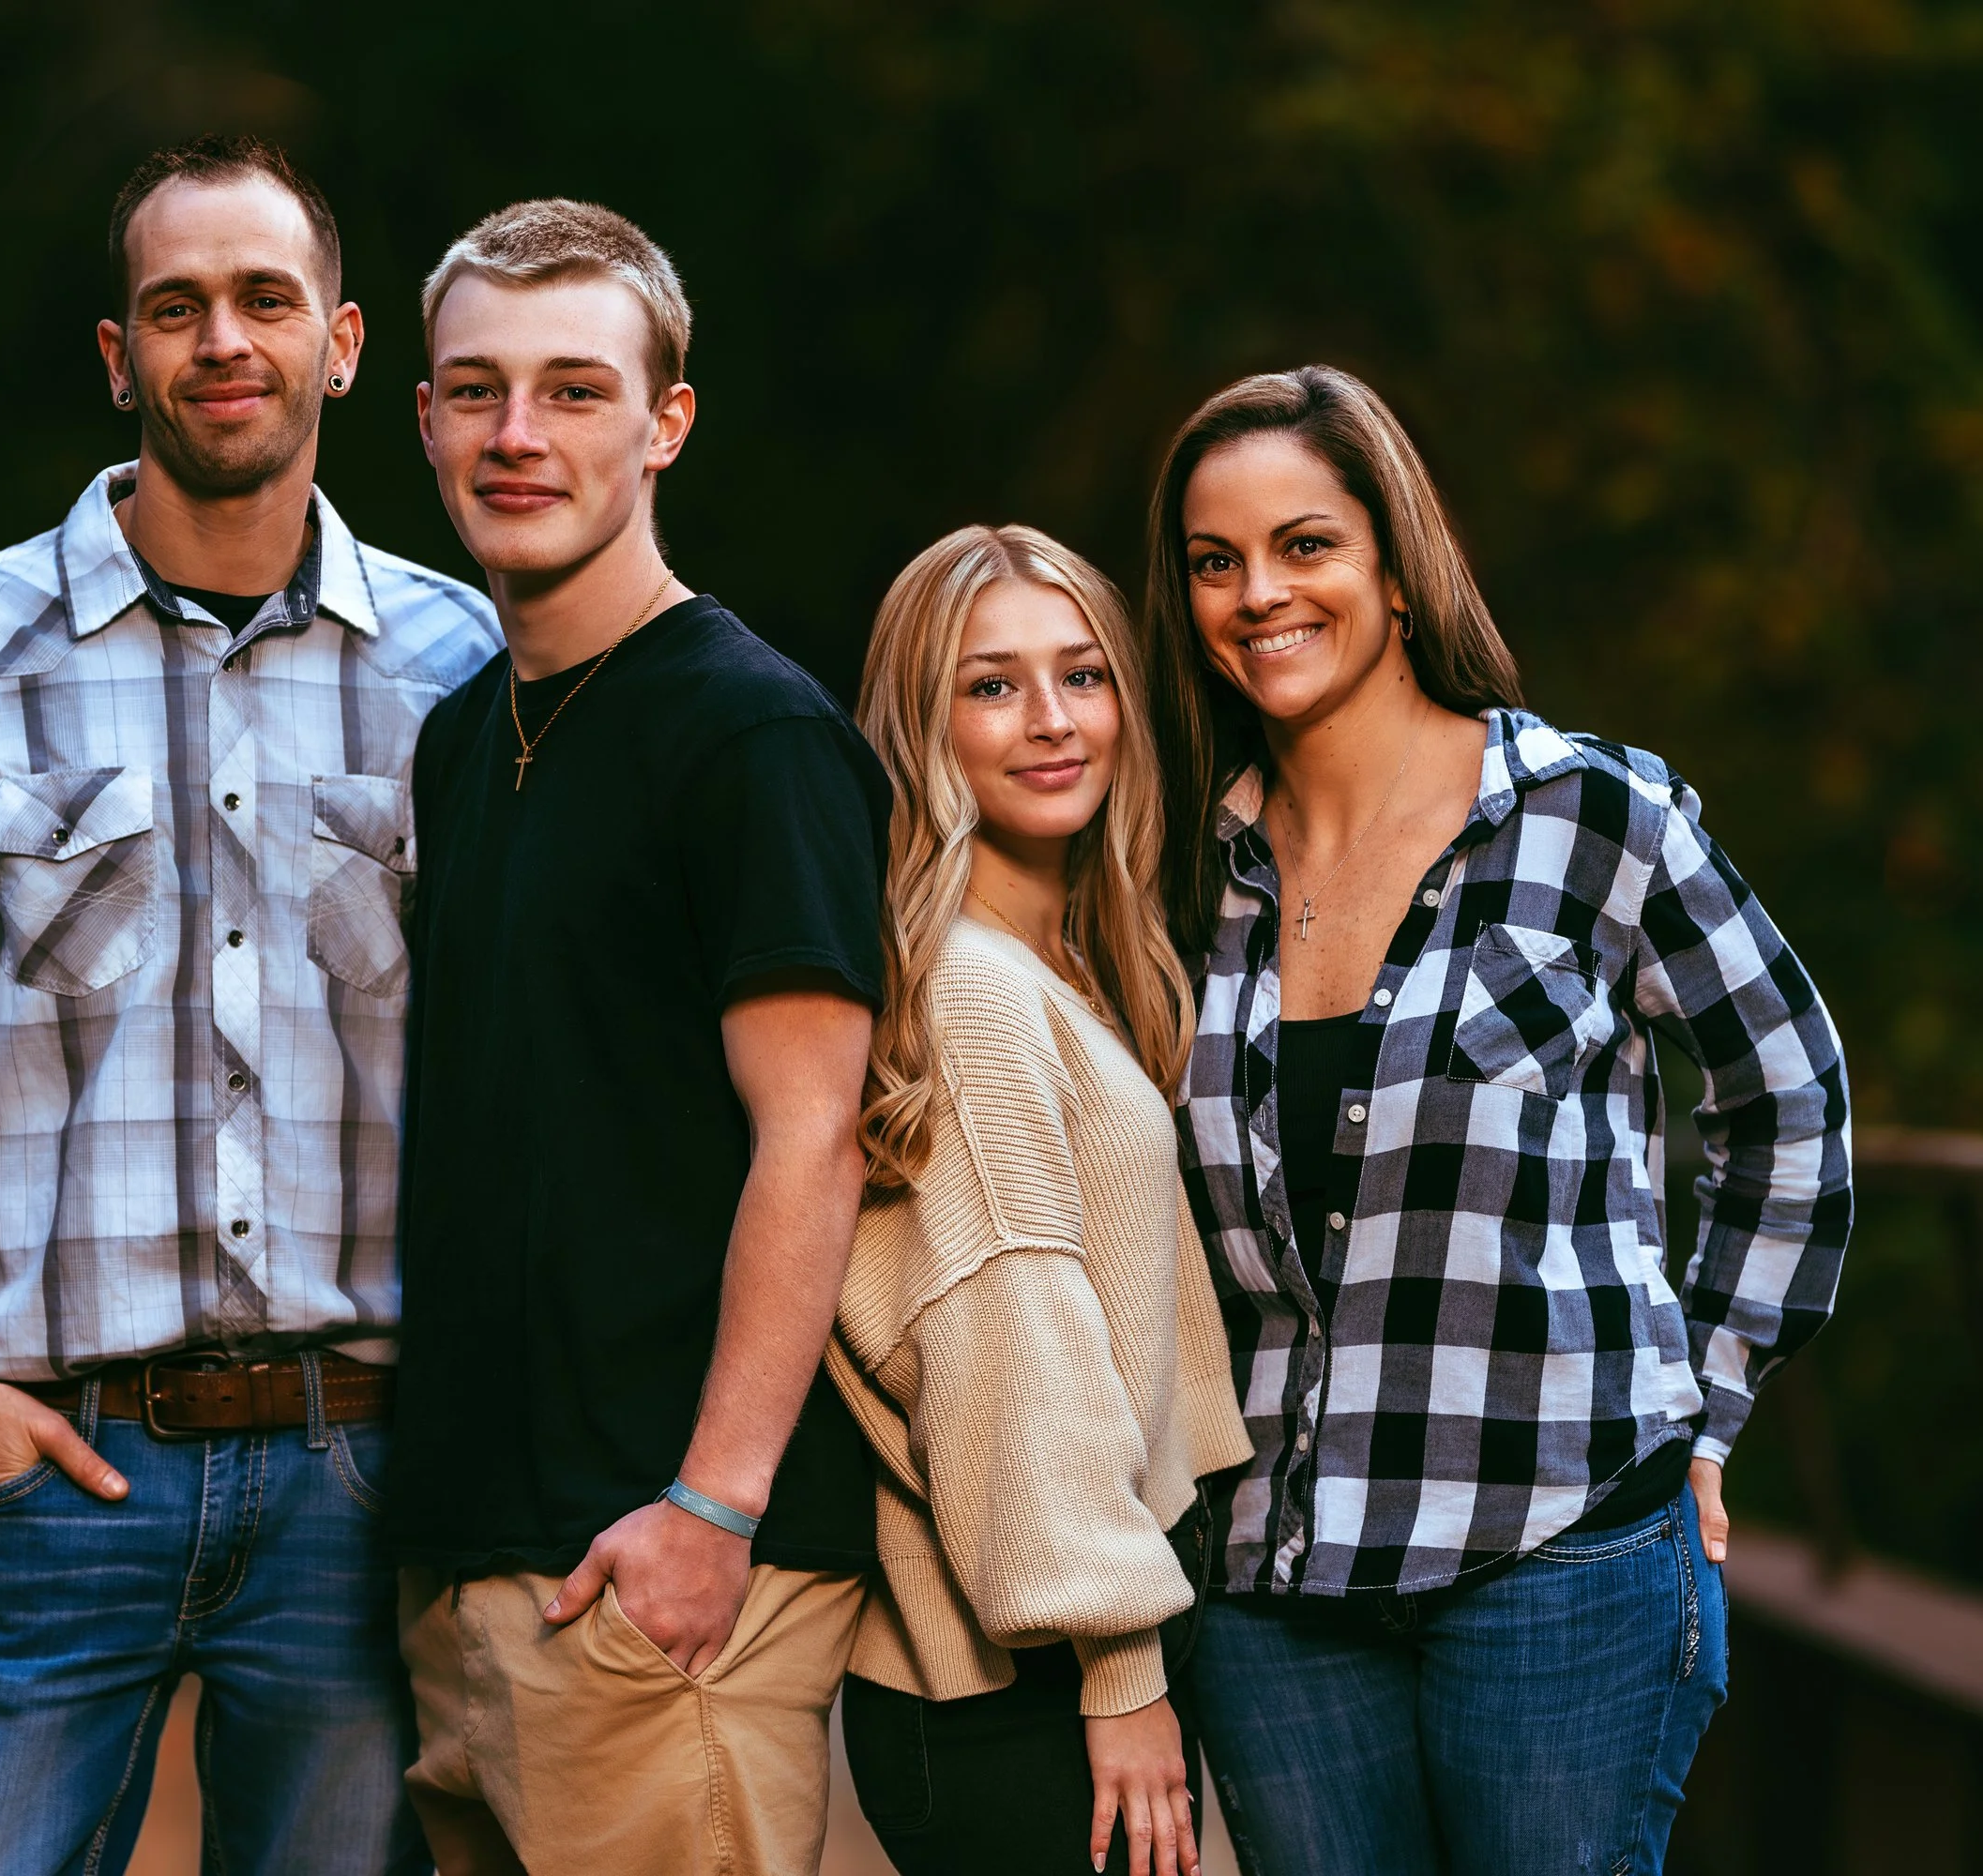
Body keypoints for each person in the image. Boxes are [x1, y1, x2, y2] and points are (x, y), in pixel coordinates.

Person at [0, 135, 497, 1874]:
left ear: (341, 342)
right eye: (177, 307)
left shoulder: (465, 668)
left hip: (362, 1471)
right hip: (43, 1469)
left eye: (263, 299)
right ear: (122, 358)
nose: (221, 340)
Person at [1139, 365, 1853, 1874]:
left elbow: (1787, 1103)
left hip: (1562, 1554)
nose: (1258, 594)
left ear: (1396, 567)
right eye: (1216, 561)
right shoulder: (1179, 874)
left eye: (1305, 544)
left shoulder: (1591, 819)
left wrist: (1707, 1397)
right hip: (1276, 1591)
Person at [387, 199, 890, 1876]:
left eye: (575, 390)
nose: (517, 436)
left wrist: (715, 1508)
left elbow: (813, 1134)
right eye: (476, 391)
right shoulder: (464, 740)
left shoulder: (752, 736)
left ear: (667, 422)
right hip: (474, 1560)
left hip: (660, 1577)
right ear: (426, 419)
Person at [827, 524, 1253, 1876]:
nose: (1052, 722)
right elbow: (1009, 1334)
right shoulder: (968, 986)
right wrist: (1122, 1668)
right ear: (921, 720)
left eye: (1083, 675)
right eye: (992, 685)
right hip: (1027, 1695)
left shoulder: (1060, 959)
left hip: (1051, 1661)